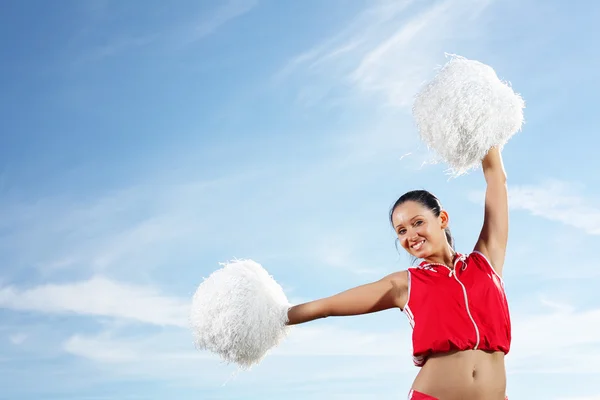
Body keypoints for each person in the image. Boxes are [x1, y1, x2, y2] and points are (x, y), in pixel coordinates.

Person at [286, 147, 511, 400]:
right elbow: (325, 306)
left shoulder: (486, 261)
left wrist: (484, 126)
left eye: (417, 223)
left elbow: (496, 179)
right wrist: (273, 318)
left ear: (442, 219)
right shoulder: (405, 284)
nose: (411, 236)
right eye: (401, 231)